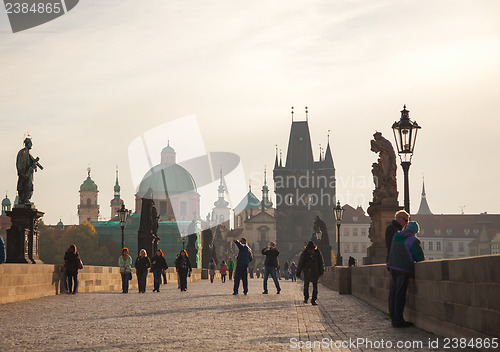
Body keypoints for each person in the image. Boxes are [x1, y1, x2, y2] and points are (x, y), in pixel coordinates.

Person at [387, 221, 425, 328]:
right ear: (415, 232)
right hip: (403, 269)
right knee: (400, 295)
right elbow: (419, 258)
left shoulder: (396, 236)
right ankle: (399, 321)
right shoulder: (412, 240)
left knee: (393, 294)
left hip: (392, 267)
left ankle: (393, 319)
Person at [296, 241, 324, 305]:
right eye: (309, 250)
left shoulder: (318, 253)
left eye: (311, 250)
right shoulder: (304, 254)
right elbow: (300, 263)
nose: (310, 251)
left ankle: (313, 300)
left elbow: (321, 262)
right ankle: (306, 298)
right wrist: (298, 272)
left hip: (315, 272)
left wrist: (321, 271)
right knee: (306, 286)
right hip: (307, 272)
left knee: (315, 288)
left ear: (314, 249)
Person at [16, 137, 42, 206]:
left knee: (29, 187)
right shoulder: (22, 152)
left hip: (28, 173)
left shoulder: (28, 153)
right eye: (30, 143)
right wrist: (23, 173)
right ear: (27, 144)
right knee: (25, 187)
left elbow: (30, 162)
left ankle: (26, 199)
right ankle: (24, 200)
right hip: (25, 173)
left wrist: (34, 163)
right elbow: (21, 164)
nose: (31, 145)